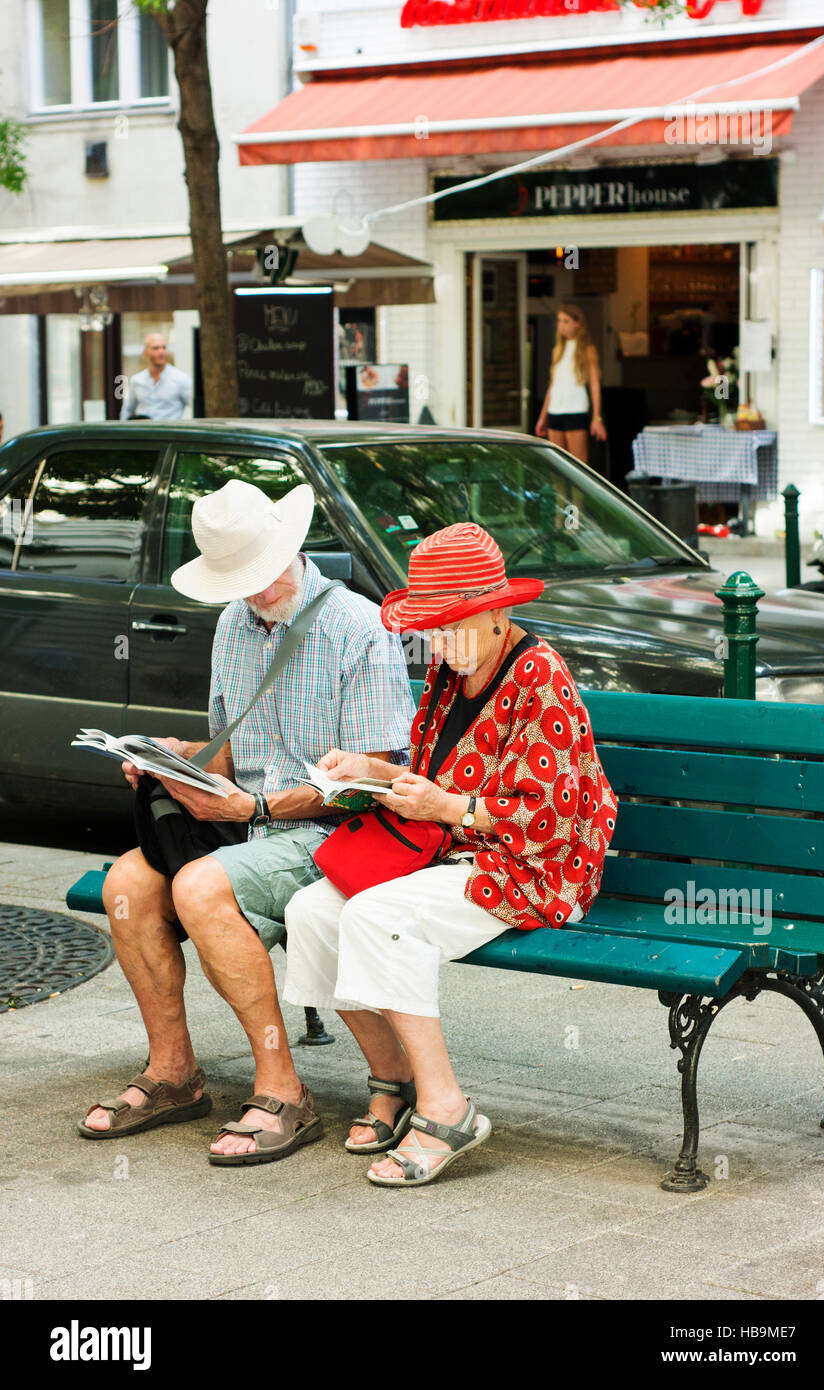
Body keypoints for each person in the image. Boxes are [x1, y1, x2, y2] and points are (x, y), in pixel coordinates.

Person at [77, 479, 416, 1166]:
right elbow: (229, 751)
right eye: (241, 580)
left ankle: (283, 1088)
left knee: (200, 888)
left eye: (262, 574)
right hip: (246, 826)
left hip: (329, 835)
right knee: (124, 885)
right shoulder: (234, 622)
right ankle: (175, 1073)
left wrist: (256, 806)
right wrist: (175, 760)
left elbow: (368, 785)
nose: (256, 592)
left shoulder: (360, 628)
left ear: (289, 548)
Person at [283, 522, 618, 1188]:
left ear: (499, 610)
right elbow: (430, 777)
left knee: (376, 917)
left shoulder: (538, 675)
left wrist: (447, 809)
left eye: (456, 624)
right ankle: (393, 1080)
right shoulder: (448, 666)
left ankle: (448, 1108)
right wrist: (371, 775)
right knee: (310, 911)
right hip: (446, 847)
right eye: (434, 627)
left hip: (531, 867)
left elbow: (548, 822)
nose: (443, 641)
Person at [535, 304, 607, 464]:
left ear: (577, 323)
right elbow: (552, 386)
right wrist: (542, 417)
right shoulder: (557, 351)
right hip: (555, 411)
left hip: (575, 410)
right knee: (557, 464)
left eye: (566, 321)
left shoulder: (588, 350)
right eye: (559, 321)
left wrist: (597, 418)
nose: (561, 325)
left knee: (578, 464)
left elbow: (595, 385)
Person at [120, 332, 192, 420]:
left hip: (170, 431)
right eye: (156, 348)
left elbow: (196, 407)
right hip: (144, 431)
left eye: (164, 348)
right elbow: (127, 411)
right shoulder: (137, 380)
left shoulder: (181, 379)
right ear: (145, 352)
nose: (161, 352)